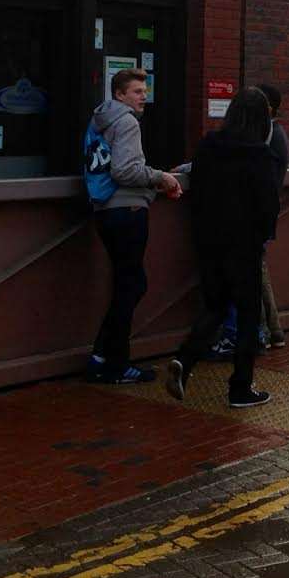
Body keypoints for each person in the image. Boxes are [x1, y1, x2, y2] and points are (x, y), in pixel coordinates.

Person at [165, 88, 281, 408]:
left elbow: (198, 192)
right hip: (243, 245)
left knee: (215, 307)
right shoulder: (260, 155)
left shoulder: (207, 147)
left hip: (208, 240)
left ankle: (184, 361)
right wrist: (261, 236)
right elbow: (268, 205)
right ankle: (240, 388)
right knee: (247, 316)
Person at [85, 69, 181, 384]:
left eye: (144, 91)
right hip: (127, 209)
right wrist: (160, 177)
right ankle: (116, 364)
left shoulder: (99, 120)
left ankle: (102, 356)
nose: (144, 97)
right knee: (132, 285)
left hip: (104, 209)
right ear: (120, 95)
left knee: (128, 284)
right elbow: (125, 170)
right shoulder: (126, 122)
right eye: (137, 91)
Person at [257, 83, 289, 349]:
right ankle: (273, 329)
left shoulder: (270, 135)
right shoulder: (272, 133)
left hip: (259, 212)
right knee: (258, 269)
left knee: (253, 269)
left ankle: (262, 332)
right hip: (264, 210)